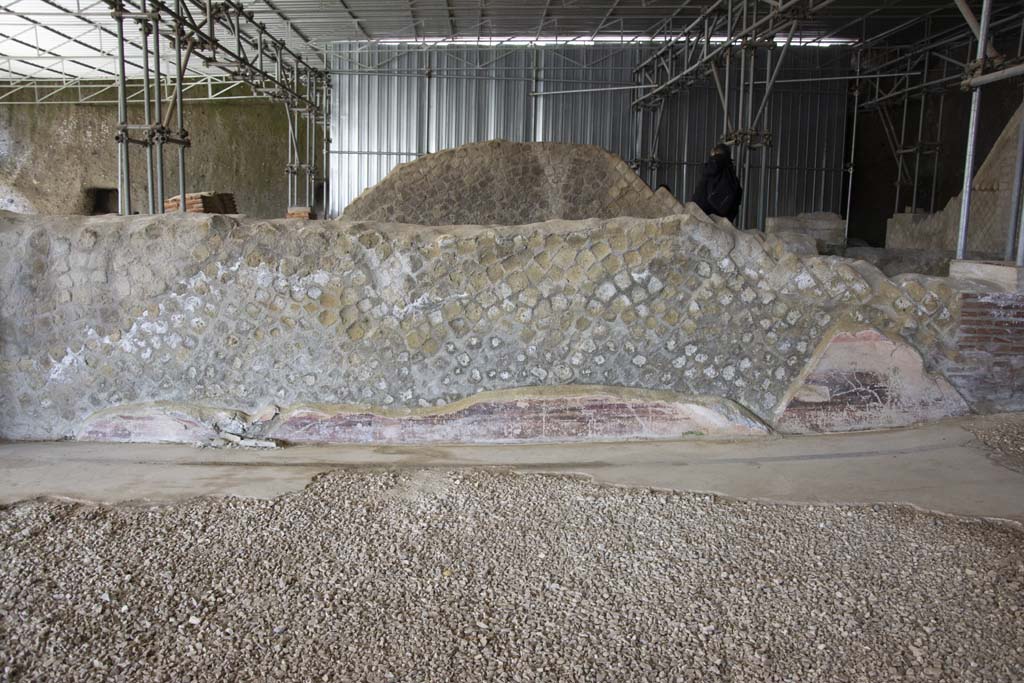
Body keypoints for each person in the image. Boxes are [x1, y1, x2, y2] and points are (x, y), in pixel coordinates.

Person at [692, 143, 742, 223]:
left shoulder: (711, 167)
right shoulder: (731, 175)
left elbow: (699, 198)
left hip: (704, 217)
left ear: (714, 152)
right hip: (723, 221)